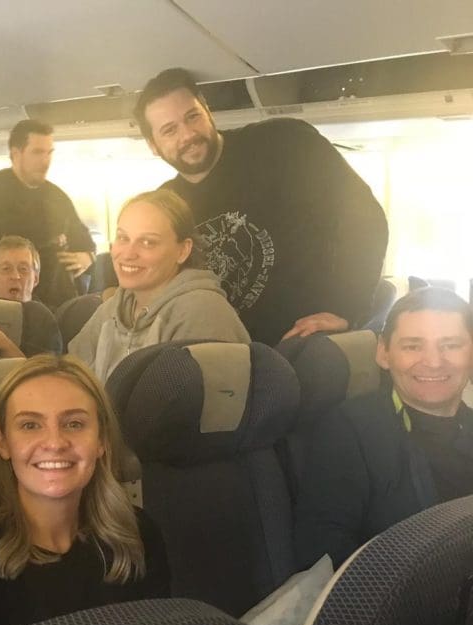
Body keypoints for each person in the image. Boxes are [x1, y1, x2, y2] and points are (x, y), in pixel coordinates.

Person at [0, 354, 168, 625]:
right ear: (2, 443)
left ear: (102, 441)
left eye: (74, 423)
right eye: (30, 425)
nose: (55, 442)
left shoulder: (137, 535)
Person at [133, 67, 388, 346]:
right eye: (169, 130)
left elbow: (363, 216)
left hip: (302, 342)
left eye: (192, 116)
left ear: (208, 110)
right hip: (221, 356)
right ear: (153, 146)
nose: (188, 134)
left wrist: (348, 308)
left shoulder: (283, 144)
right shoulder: (166, 205)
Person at [0, 191, 248, 381]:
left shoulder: (203, 314)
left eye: (148, 242)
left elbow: (195, 429)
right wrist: (8, 349)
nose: (128, 253)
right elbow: (71, 382)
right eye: (123, 237)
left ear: (183, 251)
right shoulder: (114, 310)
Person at [294, 288, 473, 569]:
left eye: (450, 345)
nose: (434, 361)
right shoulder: (350, 430)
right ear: (384, 353)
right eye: (413, 346)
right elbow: (324, 552)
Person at [0, 119, 95, 306]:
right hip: (6, 297)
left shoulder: (57, 196)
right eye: (37, 152)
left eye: (49, 153)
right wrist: (53, 241)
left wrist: (87, 256)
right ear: (16, 154)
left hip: (57, 297)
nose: (45, 161)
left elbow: (84, 240)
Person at [0, 235, 40, 303]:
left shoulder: (46, 313)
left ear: (35, 279)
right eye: (6, 269)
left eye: (23, 269)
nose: (15, 276)